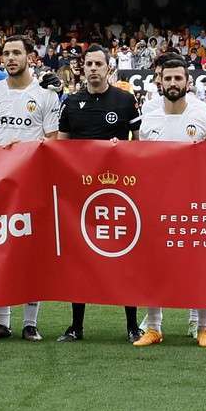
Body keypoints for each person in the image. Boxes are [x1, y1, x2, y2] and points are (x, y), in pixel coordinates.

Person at [0, 34, 63, 340]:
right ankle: (0, 321)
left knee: (30, 252)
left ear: (30, 57)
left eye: (17, 53)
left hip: (31, 182)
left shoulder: (46, 96)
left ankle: (30, 322)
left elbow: (53, 142)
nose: (10, 58)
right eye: (7, 54)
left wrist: (26, 146)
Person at [55, 46, 143, 342]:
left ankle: (132, 326)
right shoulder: (71, 102)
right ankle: (76, 327)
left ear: (108, 68)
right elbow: (62, 148)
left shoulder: (125, 101)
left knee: (124, 257)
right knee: (79, 259)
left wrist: (123, 149)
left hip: (117, 191)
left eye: (98, 64)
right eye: (88, 64)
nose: (93, 68)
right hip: (80, 193)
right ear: (83, 68)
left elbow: (138, 145)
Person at [136, 54, 206, 348]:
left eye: (178, 78)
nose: (173, 83)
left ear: (188, 82)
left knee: (199, 261)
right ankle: (154, 327)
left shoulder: (203, 112)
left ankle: (203, 327)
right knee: (153, 263)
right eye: (168, 78)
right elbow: (136, 156)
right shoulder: (147, 114)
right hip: (156, 198)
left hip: (194, 197)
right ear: (160, 81)